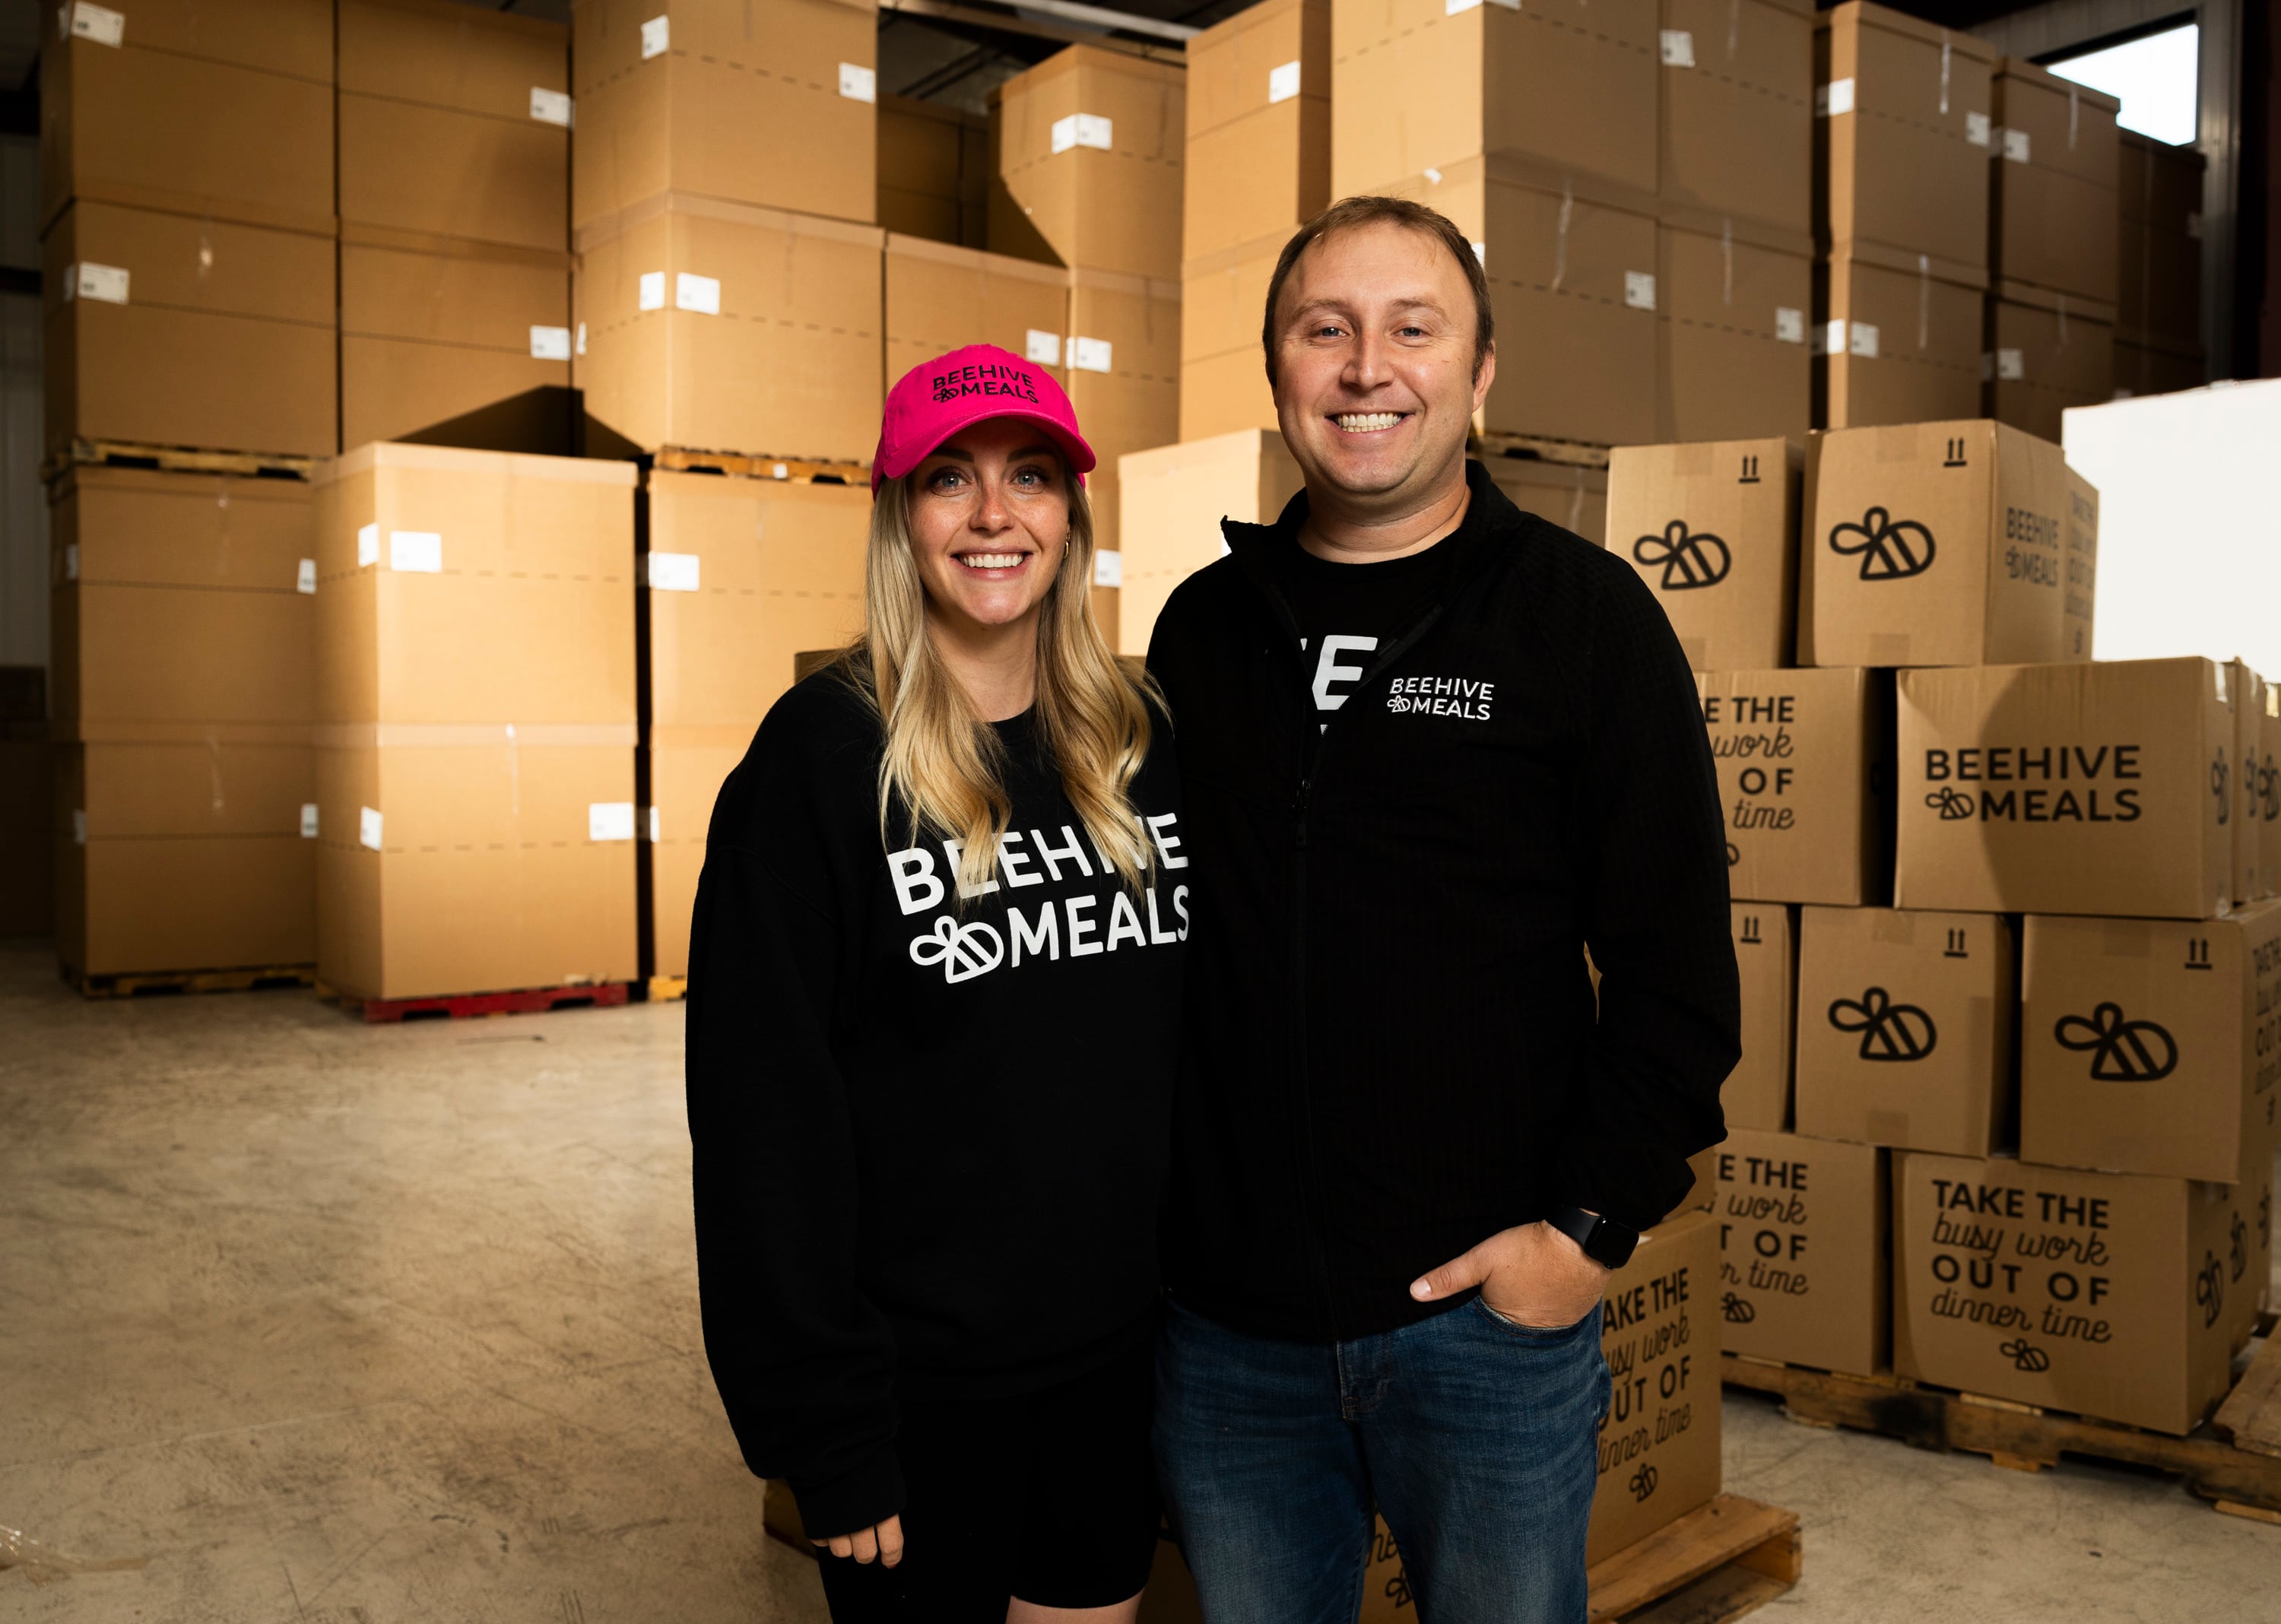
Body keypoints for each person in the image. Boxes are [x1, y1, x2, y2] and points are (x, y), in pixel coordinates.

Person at [1144, 198, 1739, 1623]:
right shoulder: (1201, 629)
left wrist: (1584, 1231)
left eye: (1415, 329)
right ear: (1278, 369)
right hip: (1229, 1337)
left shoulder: (1583, 622)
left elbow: (1676, 970)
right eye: (1325, 329)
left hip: (1479, 1328)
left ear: (1479, 377)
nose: (1367, 368)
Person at [685, 344, 1188, 1623]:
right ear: (898, 520)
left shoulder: (1136, 744)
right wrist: (825, 1432)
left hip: (1120, 1363)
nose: (992, 517)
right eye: (946, 481)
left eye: (1029, 477)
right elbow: (761, 1126)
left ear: (1072, 518)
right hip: (922, 1395)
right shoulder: (819, 765)